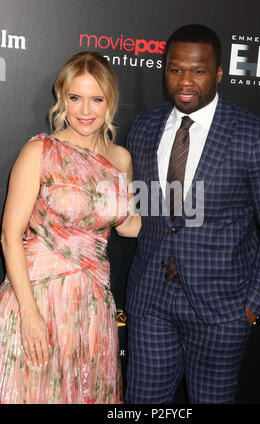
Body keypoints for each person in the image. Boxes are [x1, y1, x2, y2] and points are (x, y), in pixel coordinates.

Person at [124, 24, 260, 404]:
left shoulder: (255, 135)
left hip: (223, 307)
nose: (185, 80)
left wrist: (252, 307)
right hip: (151, 299)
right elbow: (147, 210)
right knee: (142, 403)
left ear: (218, 73)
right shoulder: (144, 127)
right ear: (165, 70)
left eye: (198, 70)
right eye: (175, 69)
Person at [0, 51, 140, 404]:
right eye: (75, 98)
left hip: (92, 306)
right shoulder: (40, 152)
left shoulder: (120, 158)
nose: (85, 110)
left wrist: (193, 207)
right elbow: (9, 237)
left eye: (96, 99)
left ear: (110, 101)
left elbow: (129, 226)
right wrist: (30, 315)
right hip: (37, 298)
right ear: (62, 98)